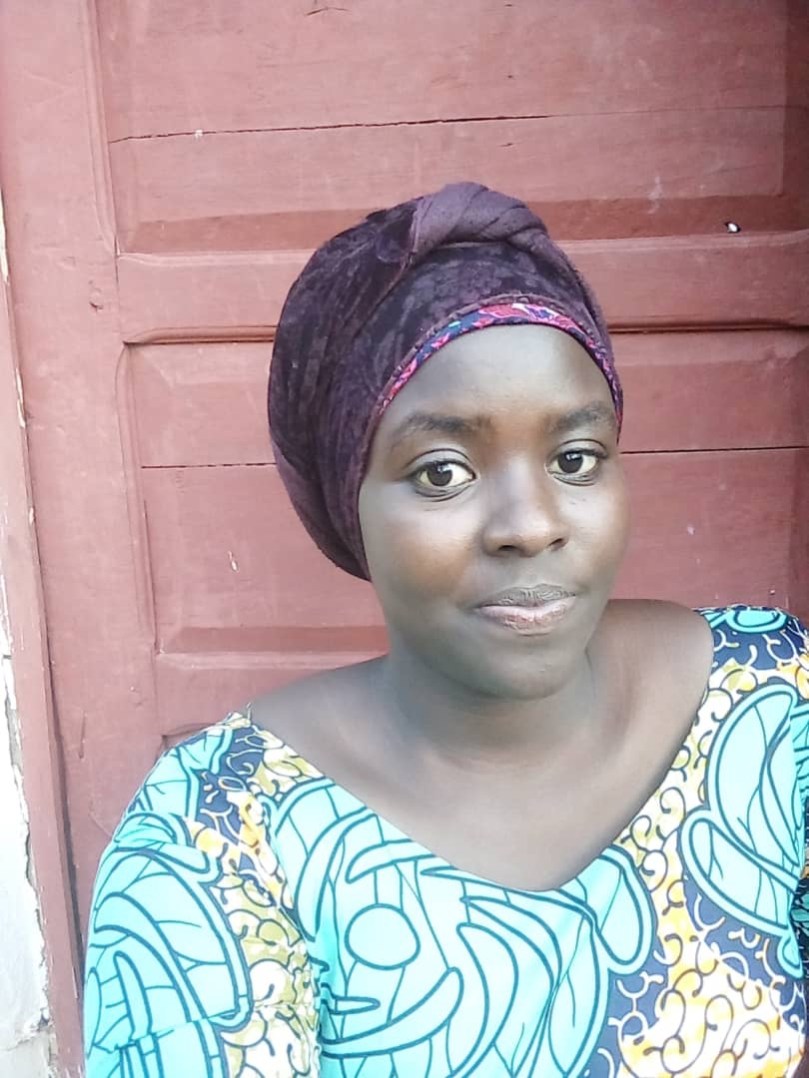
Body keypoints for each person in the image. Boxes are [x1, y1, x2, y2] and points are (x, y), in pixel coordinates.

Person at [83, 183, 809, 1077]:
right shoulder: (216, 836)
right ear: (349, 503)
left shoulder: (768, 703)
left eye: (574, 457)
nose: (530, 524)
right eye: (441, 473)